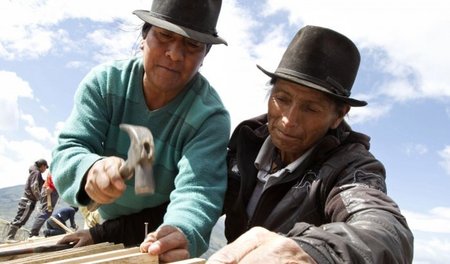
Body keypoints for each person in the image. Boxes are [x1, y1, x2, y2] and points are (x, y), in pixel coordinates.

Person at [207, 25, 414, 263]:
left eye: (311, 108)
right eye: (282, 99)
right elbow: (207, 194)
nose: (288, 120)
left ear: (338, 116)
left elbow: (384, 232)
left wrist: (312, 251)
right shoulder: (246, 144)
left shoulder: (351, 169)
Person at [51, 0, 230, 262]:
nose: (175, 54)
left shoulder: (210, 118)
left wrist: (182, 229)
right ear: (143, 37)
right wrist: (88, 169)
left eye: (192, 45)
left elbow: (199, 190)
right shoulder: (105, 83)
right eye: (165, 36)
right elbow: (70, 148)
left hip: (155, 233)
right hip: (105, 222)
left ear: (204, 56)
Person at [7, 158, 49, 240]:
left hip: (27, 200)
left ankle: (10, 237)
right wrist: (40, 198)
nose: (45, 169)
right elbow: (35, 186)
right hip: (28, 201)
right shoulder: (36, 173)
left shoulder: (35, 173)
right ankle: (9, 238)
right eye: (45, 167)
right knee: (20, 218)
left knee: (21, 218)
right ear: (42, 166)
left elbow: (39, 183)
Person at [29, 172, 59, 237]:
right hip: (50, 189)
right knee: (45, 212)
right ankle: (33, 234)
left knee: (46, 212)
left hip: (51, 189)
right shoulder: (60, 164)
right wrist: (51, 186)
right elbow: (54, 173)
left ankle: (33, 233)